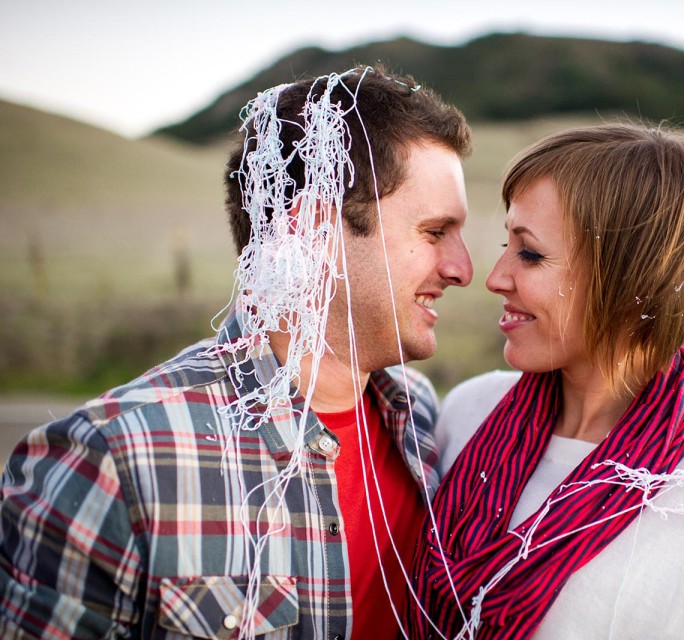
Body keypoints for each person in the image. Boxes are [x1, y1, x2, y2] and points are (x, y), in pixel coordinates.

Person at [0, 66, 473, 639]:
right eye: (434, 232)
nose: (463, 269)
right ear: (315, 233)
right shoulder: (116, 462)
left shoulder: (421, 415)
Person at [407, 123, 684, 639]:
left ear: (630, 279)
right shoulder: (469, 412)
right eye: (506, 243)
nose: (494, 277)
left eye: (531, 253)